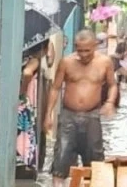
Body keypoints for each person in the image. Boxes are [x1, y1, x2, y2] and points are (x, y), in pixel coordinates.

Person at [46, 27, 118, 179]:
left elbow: (112, 85)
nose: (84, 55)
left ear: (95, 46)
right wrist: (48, 115)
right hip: (68, 115)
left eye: (87, 51)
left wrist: (110, 102)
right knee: (61, 158)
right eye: (80, 50)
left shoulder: (105, 62)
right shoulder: (66, 62)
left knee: (95, 161)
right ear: (75, 47)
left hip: (92, 116)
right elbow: (55, 88)